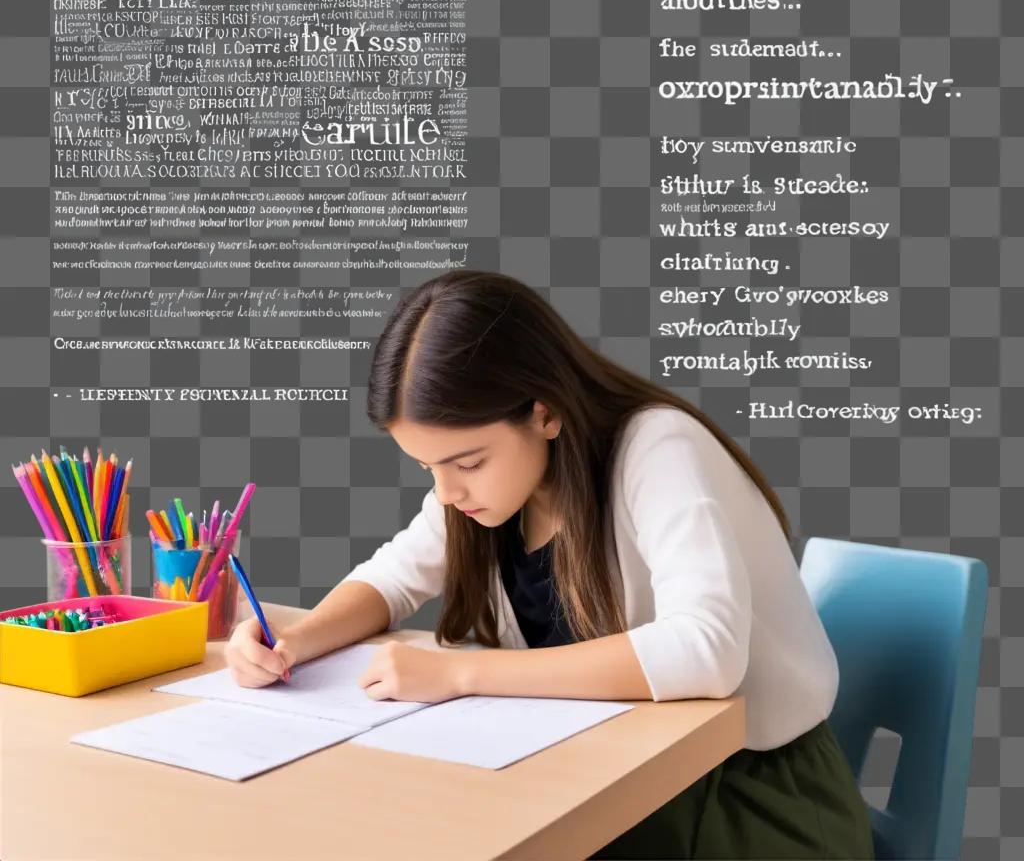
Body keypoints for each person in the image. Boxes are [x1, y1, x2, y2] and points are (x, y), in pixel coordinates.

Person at [226, 269, 875, 860]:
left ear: (545, 411)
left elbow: (708, 651)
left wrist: (460, 675)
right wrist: (297, 640)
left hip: (747, 797)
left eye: (467, 462)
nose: (448, 492)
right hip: (617, 776)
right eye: (428, 468)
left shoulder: (657, 447)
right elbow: (393, 580)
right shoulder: (491, 494)